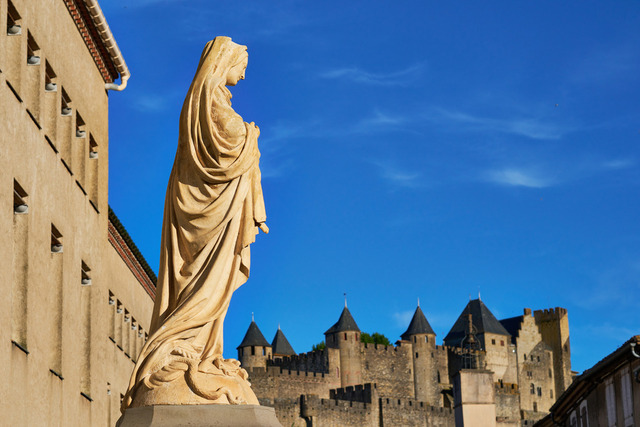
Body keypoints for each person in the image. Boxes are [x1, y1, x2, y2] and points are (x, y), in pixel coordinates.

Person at [122, 37, 267, 409]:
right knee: (201, 282)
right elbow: (227, 145)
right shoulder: (208, 100)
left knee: (215, 285)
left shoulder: (213, 100)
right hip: (205, 212)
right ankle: (185, 346)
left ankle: (205, 351)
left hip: (216, 210)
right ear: (225, 62)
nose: (244, 74)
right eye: (241, 65)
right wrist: (251, 135)